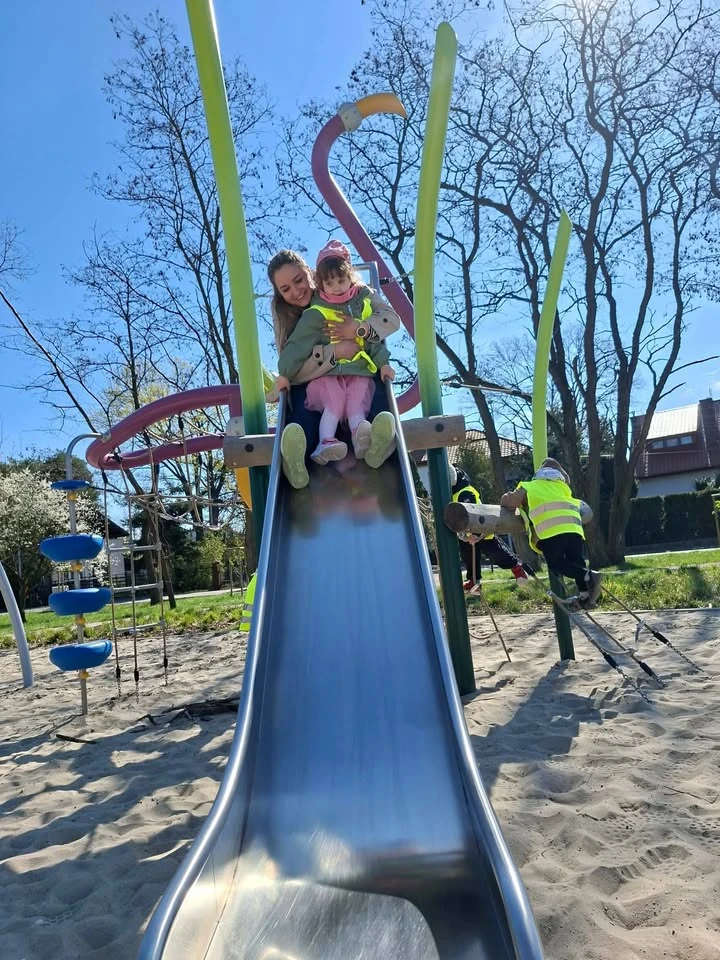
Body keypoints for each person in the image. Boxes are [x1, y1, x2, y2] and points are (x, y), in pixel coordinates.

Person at [268, 245, 399, 488]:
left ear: (310, 274)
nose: (296, 291)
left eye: (299, 280)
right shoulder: (297, 314)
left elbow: (387, 321)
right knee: (304, 414)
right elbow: (294, 361)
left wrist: (358, 329)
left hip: (356, 371)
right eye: (285, 289)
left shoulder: (353, 294)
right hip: (315, 380)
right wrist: (334, 353)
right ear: (279, 293)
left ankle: (381, 444)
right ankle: (296, 461)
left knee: (374, 395)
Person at [500, 457, 602, 609]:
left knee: (555, 563)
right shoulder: (563, 488)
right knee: (576, 561)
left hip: (551, 530)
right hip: (574, 529)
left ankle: (589, 576)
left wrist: (504, 499)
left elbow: (511, 501)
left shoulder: (529, 486)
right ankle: (585, 596)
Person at [449, 464, 530, 592]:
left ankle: (516, 567)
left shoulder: (465, 492)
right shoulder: (451, 493)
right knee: (468, 556)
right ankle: (474, 581)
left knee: (496, 551)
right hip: (465, 533)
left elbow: (471, 513)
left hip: (481, 529)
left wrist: (471, 534)